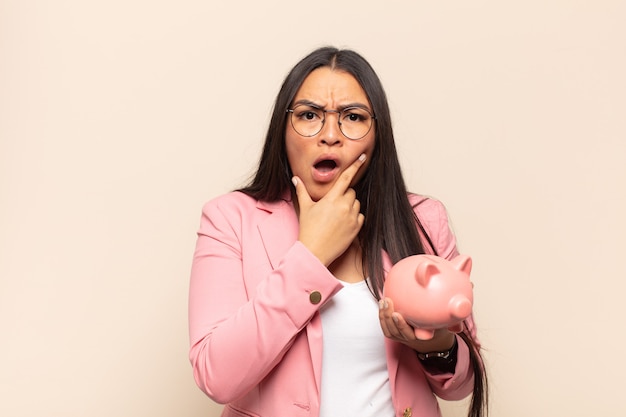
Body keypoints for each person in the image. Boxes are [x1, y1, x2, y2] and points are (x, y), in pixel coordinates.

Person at [188, 46, 488, 417]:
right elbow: (216, 376)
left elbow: (464, 386)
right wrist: (310, 255)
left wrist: (436, 344)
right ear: (282, 130)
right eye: (309, 115)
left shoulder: (424, 220)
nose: (330, 135)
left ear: (378, 134)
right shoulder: (230, 218)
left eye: (353, 117)